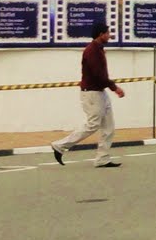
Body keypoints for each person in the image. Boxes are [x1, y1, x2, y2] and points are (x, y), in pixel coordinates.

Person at [50, 21, 125, 168]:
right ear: (101, 34)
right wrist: (115, 88)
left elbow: (101, 76)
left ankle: (102, 159)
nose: (110, 36)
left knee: (108, 127)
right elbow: (99, 75)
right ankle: (60, 145)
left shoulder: (99, 49)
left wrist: (109, 87)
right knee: (93, 125)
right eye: (108, 33)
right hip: (91, 94)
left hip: (100, 92)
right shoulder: (92, 51)